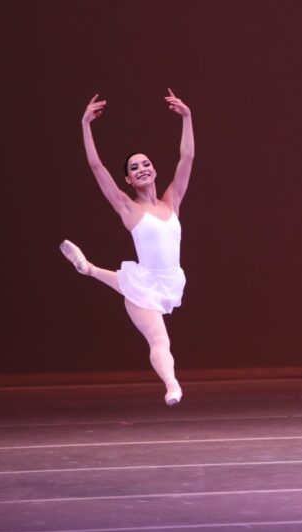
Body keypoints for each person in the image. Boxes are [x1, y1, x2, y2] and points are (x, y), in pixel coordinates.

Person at [60, 89, 194, 405]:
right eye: (134, 168)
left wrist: (187, 117)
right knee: (159, 339)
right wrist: (85, 125)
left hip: (170, 279)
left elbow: (187, 158)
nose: (142, 168)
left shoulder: (172, 201)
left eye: (146, 164)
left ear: (155, 171)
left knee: (157, 333)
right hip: (142, 286)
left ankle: (88, 268)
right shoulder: (127, 208)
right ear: (129, 180)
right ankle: (172, 384)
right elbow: (97, 167)